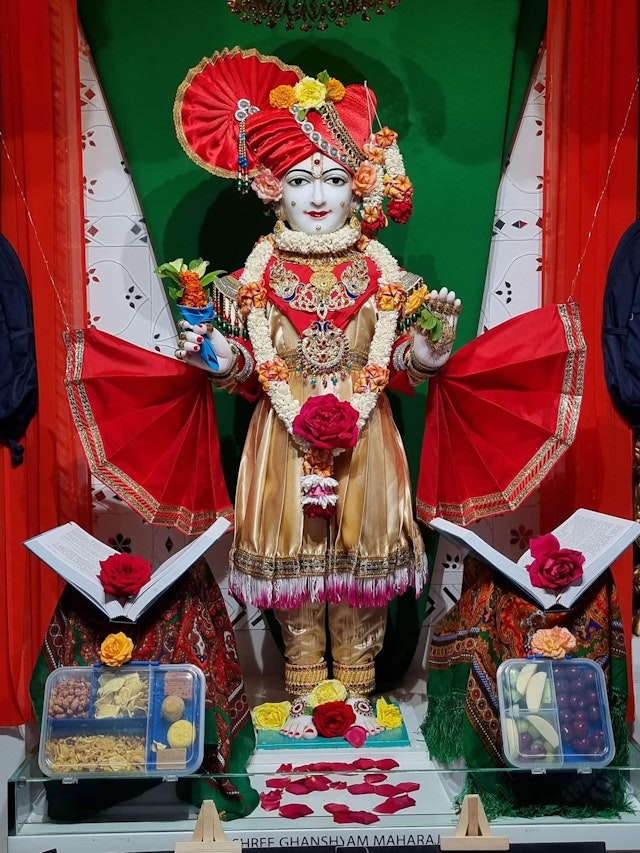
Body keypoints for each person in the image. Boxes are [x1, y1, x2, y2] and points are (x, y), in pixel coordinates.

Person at [172, 47, 461, 737]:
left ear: (360, 187)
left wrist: (427, 351)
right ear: (272, 188)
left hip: (365, 436)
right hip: (282, 434)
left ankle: (356, 688)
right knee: (296, 566)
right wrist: (223, 357)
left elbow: (398, 364)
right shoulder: (250, 279)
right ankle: (303, 690)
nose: (318, 196)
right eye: (300, 180)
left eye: (334, 177)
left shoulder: (385, 275)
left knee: (360, 565)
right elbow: (252, 370)